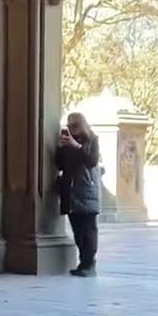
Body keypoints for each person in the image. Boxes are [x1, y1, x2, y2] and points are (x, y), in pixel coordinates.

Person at [57, 112, 102, 277]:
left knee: (88, 230)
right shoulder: (66, 141)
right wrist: (61, 148)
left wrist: (76, 145)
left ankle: (90, 264)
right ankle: (83, 263)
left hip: (87, 190)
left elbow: (92, 161)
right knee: (77, 231)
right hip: (71, 192)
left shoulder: (92, 141)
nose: (71, 129)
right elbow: (60, 164)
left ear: (82, 125)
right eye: (69, 126)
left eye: (75, 125)